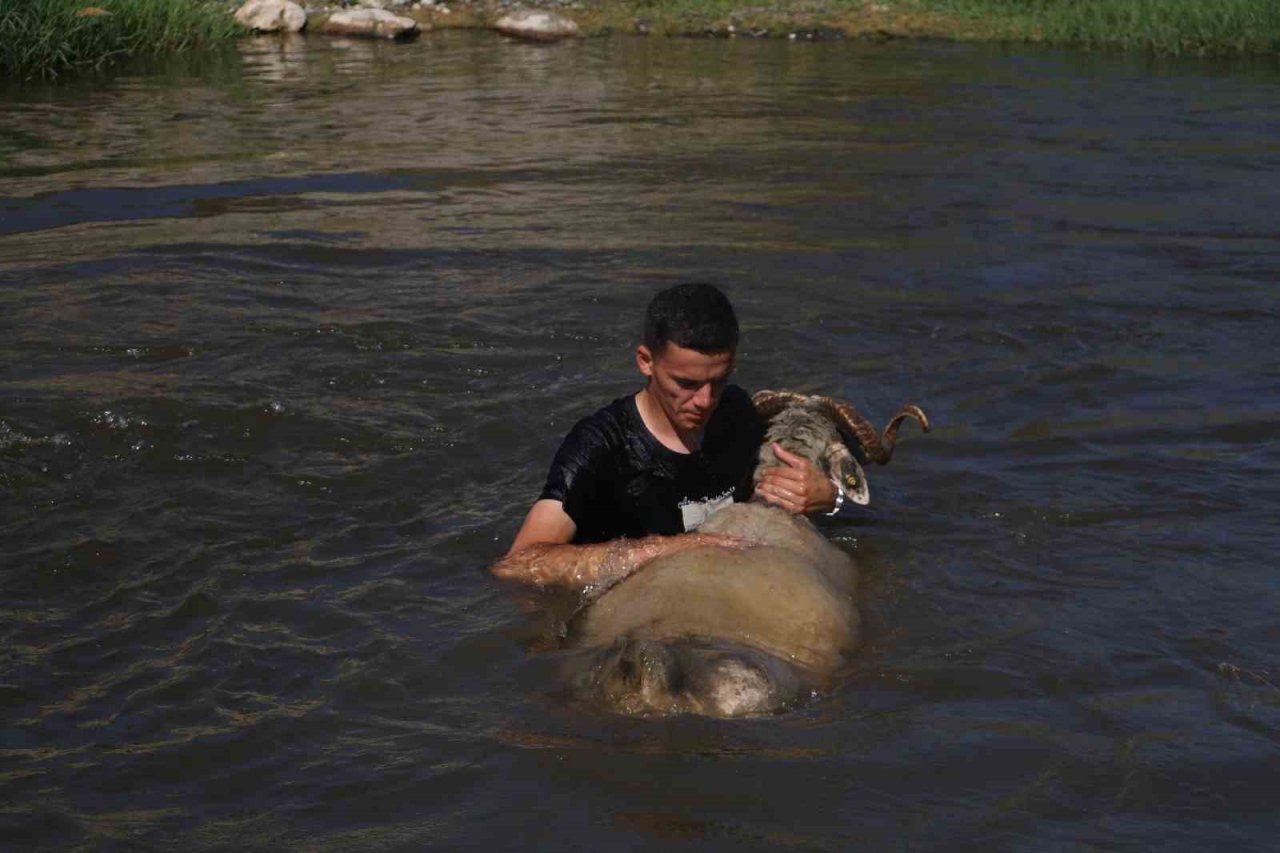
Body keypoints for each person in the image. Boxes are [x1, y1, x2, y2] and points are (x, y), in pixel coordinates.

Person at [490, 283, 838, 590]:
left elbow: (760, 500)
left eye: (718, 381)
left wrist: (827, 496)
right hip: (630, 611)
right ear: (645, 361)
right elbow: (517, 564)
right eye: (686, 384)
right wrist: (667, 549)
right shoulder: (600, 445)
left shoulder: (735, 412)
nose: (705, 401)